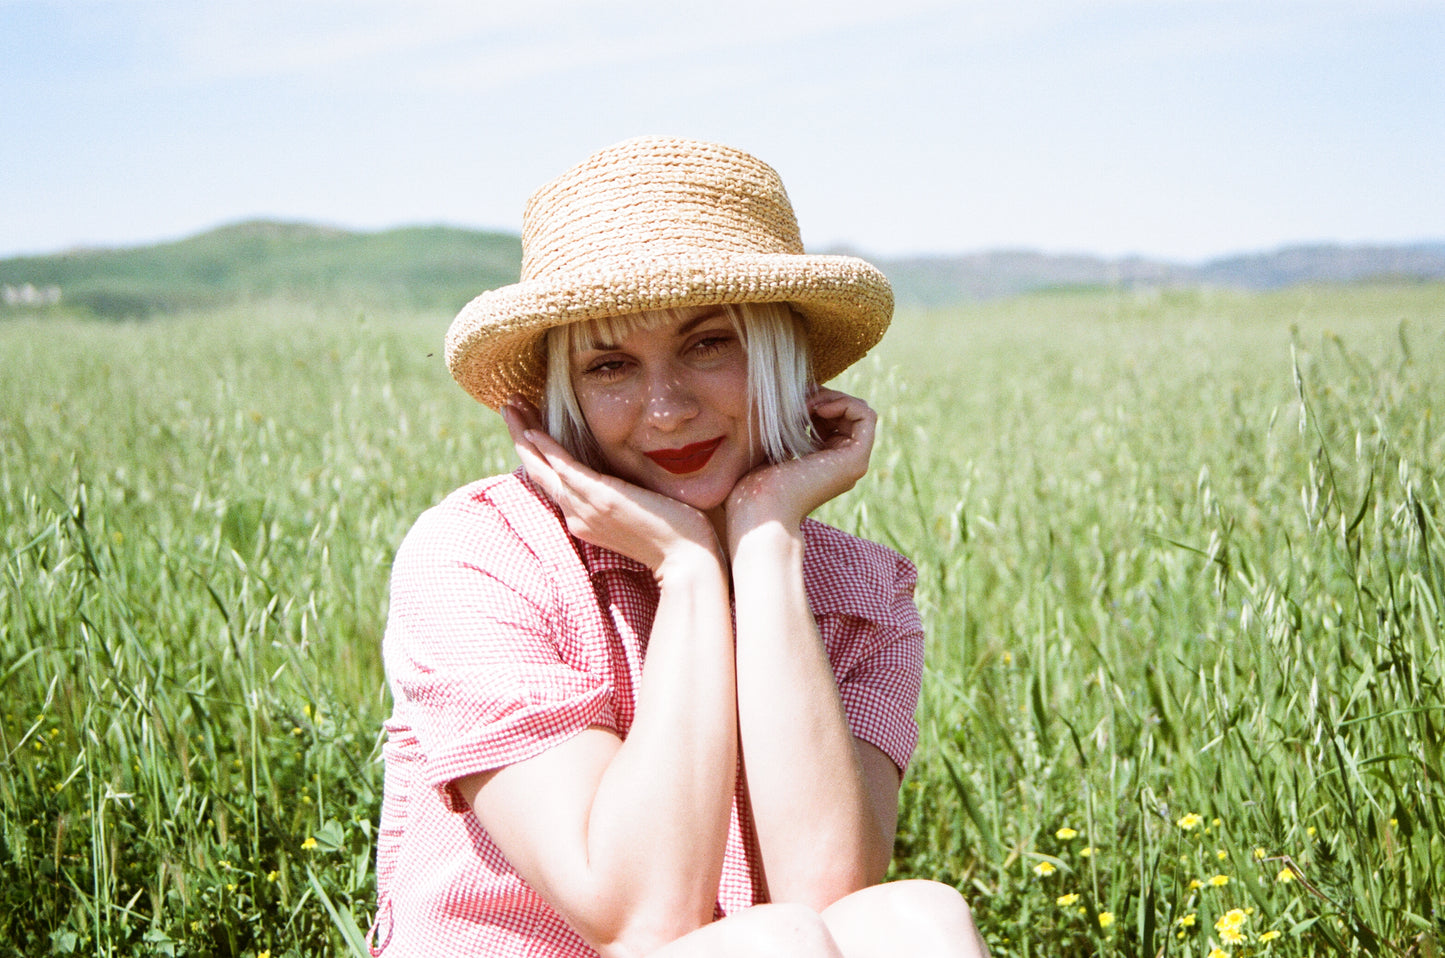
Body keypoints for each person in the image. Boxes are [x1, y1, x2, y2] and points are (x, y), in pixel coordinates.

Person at [370, 136, 990, 958]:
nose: (664, 410)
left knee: (916, 920)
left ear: (778, 353)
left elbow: (827, 894)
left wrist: (764, 540)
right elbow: (635, 915)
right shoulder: (479, 556)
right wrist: (689, 570)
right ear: (562, 395)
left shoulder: (859, 592)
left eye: (709, 345)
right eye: (609, 365)